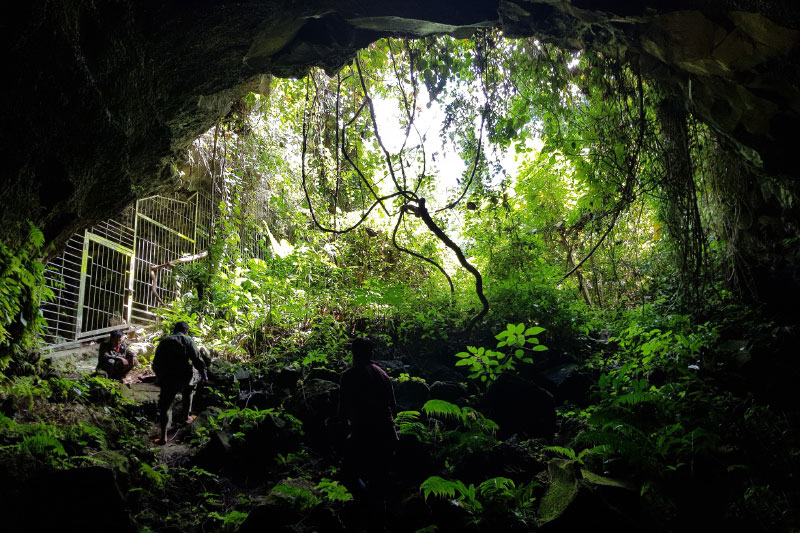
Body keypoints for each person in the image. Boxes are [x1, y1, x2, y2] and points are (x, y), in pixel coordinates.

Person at [338, 337, 398, 530]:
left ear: (354, 354)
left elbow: (343, 413)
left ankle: (366, 511)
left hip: (364, 435)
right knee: (379, 479)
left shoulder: (349, 376)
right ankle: (378, 516)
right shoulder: (383, 375)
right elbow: (394, 410)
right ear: (371, 353)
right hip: (387, 435)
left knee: (347, 474)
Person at [152, 321, 208, 444]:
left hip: (168, 377)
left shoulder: (164, 341)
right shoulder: (187, 340)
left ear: (174, 330)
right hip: (184, 376)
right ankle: (186, 416)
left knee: (165, 406)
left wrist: (160, 376)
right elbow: (196, 359)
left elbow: (156, 362)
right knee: (188, 390)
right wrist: (204, 374)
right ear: (185, 331)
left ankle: (163, 437)